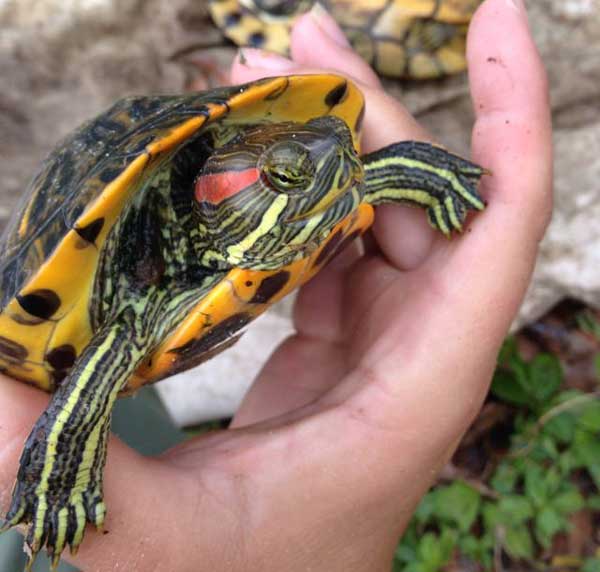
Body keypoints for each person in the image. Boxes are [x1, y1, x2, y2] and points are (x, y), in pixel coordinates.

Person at [0, 0, 551, 570]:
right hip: (91, 317)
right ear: (214, 196)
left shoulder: (331, 186)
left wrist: (433, 180)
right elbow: (99, 364)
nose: (335, 154)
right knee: (73, 436)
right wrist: (57, 480)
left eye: (331, 139)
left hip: (189, 323)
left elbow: (352, 169)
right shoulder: (132, 303)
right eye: (288, 174)